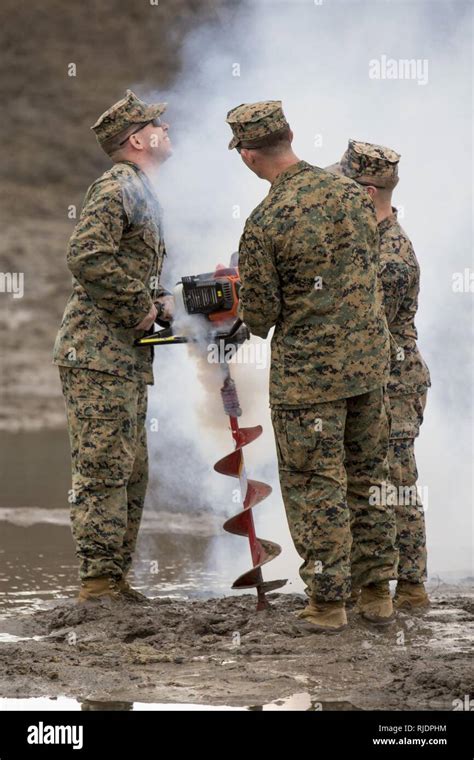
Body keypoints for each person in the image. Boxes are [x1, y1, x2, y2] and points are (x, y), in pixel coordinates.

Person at [226, 101, 398, 632]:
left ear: (249, 156)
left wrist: (235, 302)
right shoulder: (352, 193)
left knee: (313, 483)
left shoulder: (265, 221)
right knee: (369, 475)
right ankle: (377, 595)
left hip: (308, 381)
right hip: (369, 366)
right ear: (292, 135)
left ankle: (327, 604)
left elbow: (260, 314)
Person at [53, 90, 173, 603]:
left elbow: (125, 263)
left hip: (122, 357)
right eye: (157, 126)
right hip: (97, 354)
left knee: (130, 469)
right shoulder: (119, 185)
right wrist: (140, 309)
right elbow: (86, 253)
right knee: (103, 468)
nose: (166, 131)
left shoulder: (141, 189)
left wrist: (160, 298)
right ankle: (97, 585)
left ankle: (115, 579)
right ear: (137, 139)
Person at [327, 140, 431, 609]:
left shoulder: (389, 257)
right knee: (372, 481)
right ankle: (373, 581)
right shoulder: (367, 241)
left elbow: (364, 325)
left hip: (394, 383)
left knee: (396, 483)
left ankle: (409, 587)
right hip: (376, 379)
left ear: (367, 193)